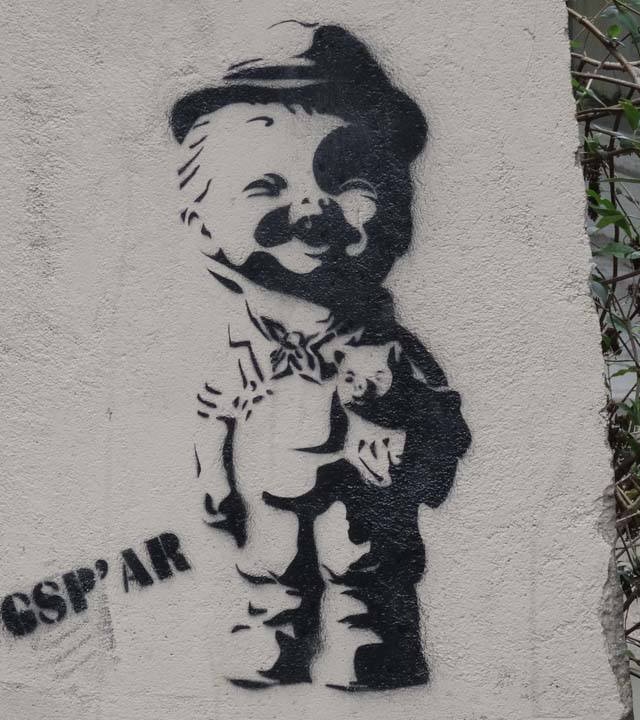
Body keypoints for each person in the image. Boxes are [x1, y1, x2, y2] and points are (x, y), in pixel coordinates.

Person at [170, 21, 471, 691]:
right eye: (265, 186)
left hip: (358, 484)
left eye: (347, 182)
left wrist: (408, 439)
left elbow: (443, 416)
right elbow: (214, 416)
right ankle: (272, 631)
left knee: (360, 557)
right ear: (203, 224)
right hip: (269, 484)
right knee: (270, 558)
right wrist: (215, 479)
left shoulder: (387, 347)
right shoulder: (240, 353)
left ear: (398, 209)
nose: (311, 210)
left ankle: (366, 636)